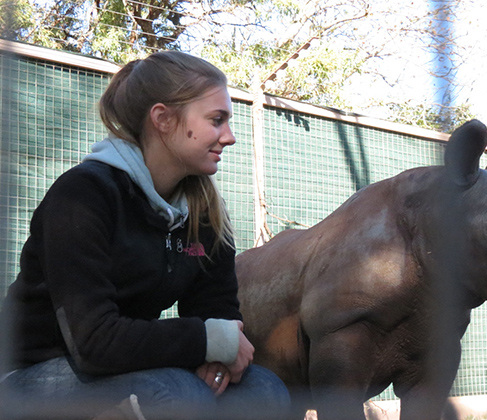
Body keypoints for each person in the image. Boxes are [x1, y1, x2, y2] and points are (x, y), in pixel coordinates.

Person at [0, 50, 290, 420]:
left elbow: (217, 312)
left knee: (263, 390)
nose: (229, 137)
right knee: (179, 395)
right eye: (217, 120)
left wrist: (215, 362)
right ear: (163, 119)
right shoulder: (82, 196)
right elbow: (93, 343)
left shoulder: (202, 212)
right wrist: (207, 342)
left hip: (123, 369)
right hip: (32, 376)